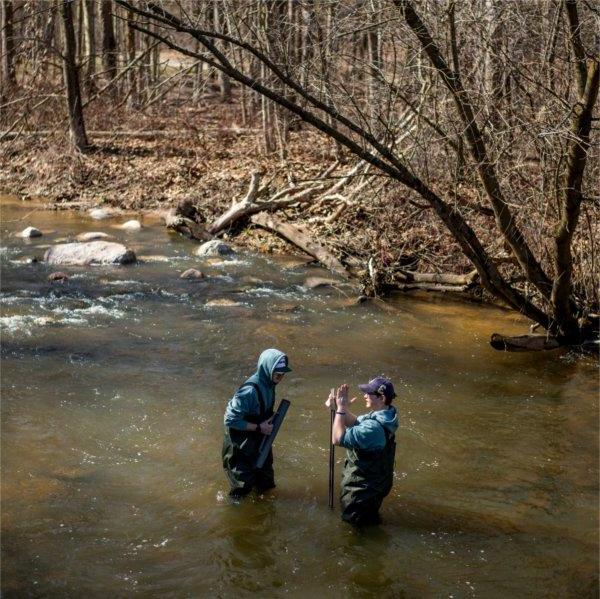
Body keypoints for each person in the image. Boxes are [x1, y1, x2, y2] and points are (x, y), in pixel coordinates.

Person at [326, 376, 398, 525]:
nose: (364, 396)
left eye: (369, 393)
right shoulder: (386, 415)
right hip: (375, 486)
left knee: (353, 531)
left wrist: (340, 410)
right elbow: (353, 421)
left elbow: (337, 439)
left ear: (381, 397)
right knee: (369, 523)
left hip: (360, 493)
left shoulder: (373, 428)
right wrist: (340, 407)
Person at [222, 348, 292, 497]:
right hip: (239, 447)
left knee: (266, 483)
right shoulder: (249, 391)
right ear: (267, 369)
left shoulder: (269, 384)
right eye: (278, 374)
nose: (281, 378)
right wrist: (259, 427)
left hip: (259, 441)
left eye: (283, 374)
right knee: (242, 489)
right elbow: (229, 419)